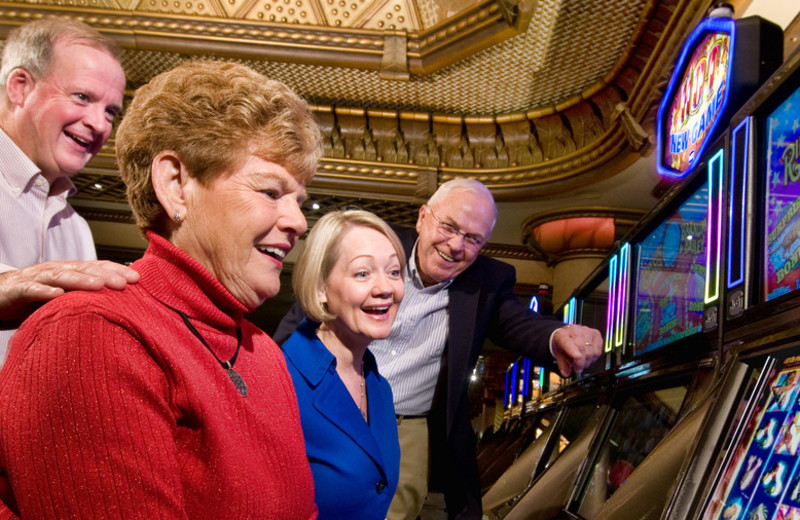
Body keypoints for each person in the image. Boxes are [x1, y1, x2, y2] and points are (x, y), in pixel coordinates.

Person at [0, 60, 322, 519]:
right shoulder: (91, 335)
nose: (298, 221)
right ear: (176, 186)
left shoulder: (264, 353)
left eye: (299, 199)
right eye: (272, 192)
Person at [274, 178, 604, 519]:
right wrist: (266, 380)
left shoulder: (486, 281)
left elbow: (520, 325)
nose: (456, 245)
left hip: (406, 423)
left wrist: (559, 336)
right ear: (422, 218)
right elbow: (305, 314)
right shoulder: (378, 246)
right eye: (449, 226)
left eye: (474, 239)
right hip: (327, 402)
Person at [0, 18, 140, 363]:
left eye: (110, 112)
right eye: (82, 97)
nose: (99, 124)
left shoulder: (76, 228)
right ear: (19, 87)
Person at [282, 209, 405, 519]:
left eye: (393, 271)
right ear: (322, 288)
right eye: (362, 273)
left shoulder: (379, 387)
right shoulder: (281, 379)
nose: (385, 288)